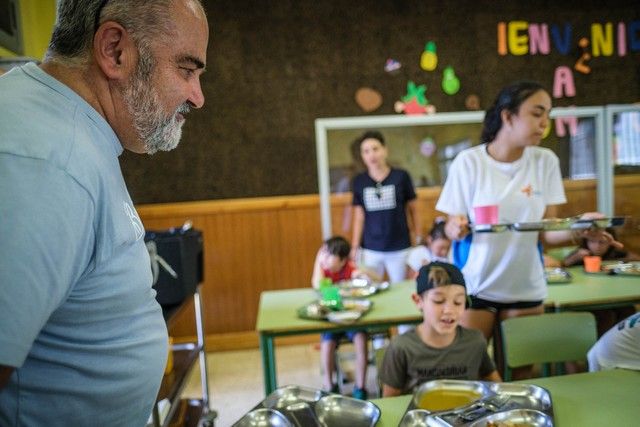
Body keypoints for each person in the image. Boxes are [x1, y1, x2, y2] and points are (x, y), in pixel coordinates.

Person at [0, 1, 208, 425]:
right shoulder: (47, 161)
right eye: (186, 70)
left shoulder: (66, 127)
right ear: (115, 51)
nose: (197, 97)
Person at [435, 80, 599, 378]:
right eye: (537, 114)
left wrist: (581, 228)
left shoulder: (545, 161)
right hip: (476, 285)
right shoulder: (468, 162)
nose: (544, 124)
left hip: (525, 285)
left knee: (522, 373)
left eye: (548, 115)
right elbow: (450, 226)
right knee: (466, 370)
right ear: (508, 116)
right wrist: (454, 227)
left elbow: (547, 234)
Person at [379, 262, 501, 397]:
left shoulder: (475, 341)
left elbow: (497, 388)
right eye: (438, 300)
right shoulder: (401, 347)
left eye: (458, 302)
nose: (449, 310)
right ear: (418, 301)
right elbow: (390, 401)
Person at [311, 236, 379, 400]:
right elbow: (317, 284)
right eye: (323, 254)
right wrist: (318, 261)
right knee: (327, 345)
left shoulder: (348, 269)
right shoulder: (324, 272)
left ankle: (360, 387)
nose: (324, 258)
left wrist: (363, 275)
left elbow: (371, 279)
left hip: (353, 318)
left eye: (329, 255)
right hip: (332, 320)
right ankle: (329, 385)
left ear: (342, 260)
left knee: (361, 341)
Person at [351, 130, 422, 284]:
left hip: (399, 246)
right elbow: (359, 216)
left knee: (400, 288)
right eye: (366, 151)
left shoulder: (401, 176)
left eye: (375, 149)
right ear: (362, 156)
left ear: (385, 150)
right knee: (369, 287)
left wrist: (418, 237)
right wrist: (355, 246)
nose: (372, 155)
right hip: (370, 248)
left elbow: (414, 210)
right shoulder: (359, 181)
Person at [562, 227, 640, 267]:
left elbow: (637, 259)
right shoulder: (580, 253)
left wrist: (624, 261)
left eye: (602, 242)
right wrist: (574, 258)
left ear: (610, 242)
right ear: (586, 241)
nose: (597, 246)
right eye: (592, 241)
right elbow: (563, 265)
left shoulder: (615, 253)